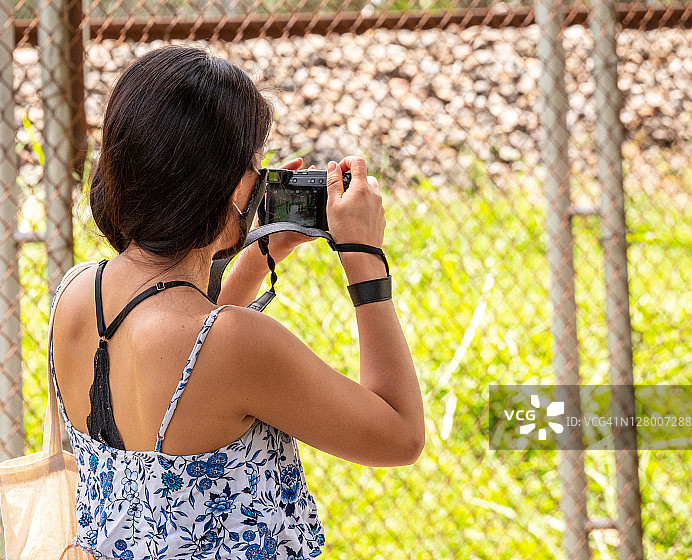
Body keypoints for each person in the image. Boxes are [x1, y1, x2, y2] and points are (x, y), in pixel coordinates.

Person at [49, 45, 425, 560]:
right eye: (254, 167)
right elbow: (399, 434)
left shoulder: (75, 296)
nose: (261, 179)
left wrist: (254, 258)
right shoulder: (235, 343)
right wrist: (363, 255)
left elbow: (182, 357)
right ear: (221, 189)